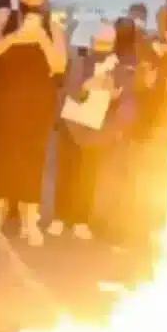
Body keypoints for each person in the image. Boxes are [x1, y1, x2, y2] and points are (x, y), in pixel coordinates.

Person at [0, 0, 67, 246]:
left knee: (33, 158)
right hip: (4, 100)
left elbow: (59, 65)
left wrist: (41, 38)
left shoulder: (52, 23)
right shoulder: (4, 16)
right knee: (1, 155)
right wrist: (16, 36)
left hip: (38, 103)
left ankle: (30, 220)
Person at [47, 24, 122, 240]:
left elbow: (122, 98)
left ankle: (81, 220)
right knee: (67, 172)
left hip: (98, 129)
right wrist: (85, 87)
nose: (102, 48)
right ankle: (60, 217)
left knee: (88, 176)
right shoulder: (80, 63)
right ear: (91, 42)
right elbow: (70, 91)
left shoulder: (116, 67)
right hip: (72, 125)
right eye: (100, 42)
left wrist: (113, 94)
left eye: (107, 44)